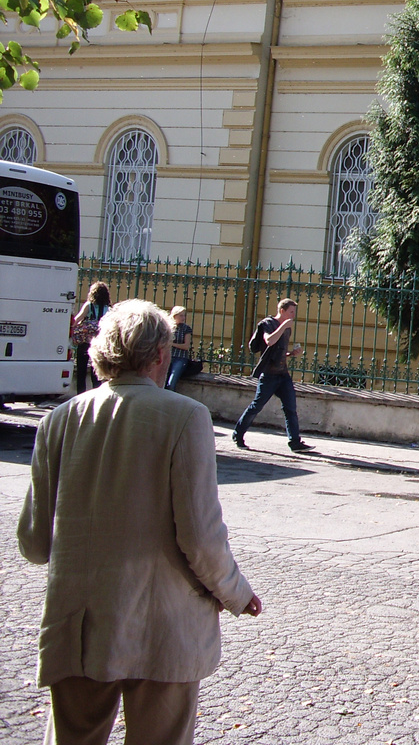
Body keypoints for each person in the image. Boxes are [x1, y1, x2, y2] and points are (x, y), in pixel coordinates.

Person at [17, 299, 261, 745]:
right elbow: (201, 537)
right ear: (161, 356)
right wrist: (236, 593)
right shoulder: (185, 417)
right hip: (164, 626)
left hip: (80, 626)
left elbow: (34, 543)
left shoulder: (59, 421)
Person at [232, 298, 314, 452]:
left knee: (290, 408)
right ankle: (238, 434)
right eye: (291, 312)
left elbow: (277, 351)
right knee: (257, 406)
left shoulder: (287, 328)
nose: (293, 315)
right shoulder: (268, 324)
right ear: (282, 311)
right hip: (269, 375)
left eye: (294, 312)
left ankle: (295, 442)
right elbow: (269, 341)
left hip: (283, 375)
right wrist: (283, 326)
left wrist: (290, 354)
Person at [70, 281, 111, 393]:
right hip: (99, 343)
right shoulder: (108, 309)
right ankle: (96, 394)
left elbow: (76, 320)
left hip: (85, 342)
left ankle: (81, 395)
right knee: (96, 371)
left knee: (81, 371)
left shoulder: (89, 305)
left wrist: (76, 328)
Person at [166, 305, 193, 391]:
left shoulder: (186, 329)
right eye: (181, 315)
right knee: (161, 382)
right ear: (174, 316)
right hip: (167, 356)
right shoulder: (168, 327)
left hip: (180, 358)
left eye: (184, 315)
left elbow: (186, 346)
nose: (183, 318)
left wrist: (172, 344)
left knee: (171, 383)